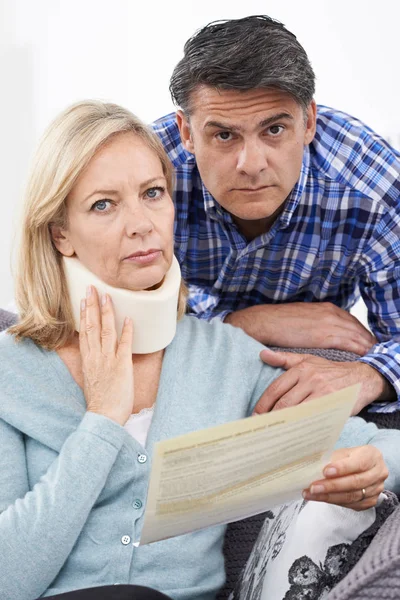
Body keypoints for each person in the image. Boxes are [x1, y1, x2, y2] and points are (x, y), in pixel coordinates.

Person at [0, 100, 398, 600]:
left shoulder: (224, 357)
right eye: (104, 204)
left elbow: (377, 445)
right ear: (61, 233)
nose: (141, 224)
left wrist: (367, 466)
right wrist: (101, 422)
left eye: (153, 193)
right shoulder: (9, 371)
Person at [152, 15, 400, 415]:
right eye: (224, 135)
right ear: (186, 133)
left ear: (309, 122)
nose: (251, 165)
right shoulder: (146, 172)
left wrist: (372, 376)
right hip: (175, 361)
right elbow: (99, 302)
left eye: (274, 131)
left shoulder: (375, 188)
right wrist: (244, 323)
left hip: (304, 368)